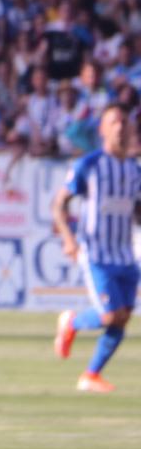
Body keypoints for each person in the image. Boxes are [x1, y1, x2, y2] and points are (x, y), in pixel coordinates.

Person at [51, 105, 141, 393]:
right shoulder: (89, 165)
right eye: (114, 121)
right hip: (97, 255)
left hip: (125, 255)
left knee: (124, 316)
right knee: (109, 315)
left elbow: (135, 211)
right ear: (102, 129)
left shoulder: (134, 170)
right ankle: (72, 322)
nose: (120, 126)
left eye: (124, 121)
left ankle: (90, 375)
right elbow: (59, 204)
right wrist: (68, 239)